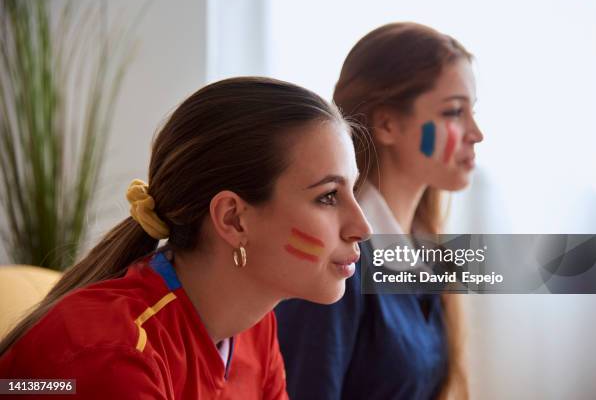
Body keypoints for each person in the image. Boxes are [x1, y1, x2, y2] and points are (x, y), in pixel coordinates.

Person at [0, 77, 371, 399]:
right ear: (233, 219)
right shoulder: (113, 353)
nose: (364, 227)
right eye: (327, 197)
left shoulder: (254, 325)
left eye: (352, 190)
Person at [275, 22, 484, 400]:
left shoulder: (427, 251)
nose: (476, 132)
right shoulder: (337, 261)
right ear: (386, 124)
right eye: (454, 112)